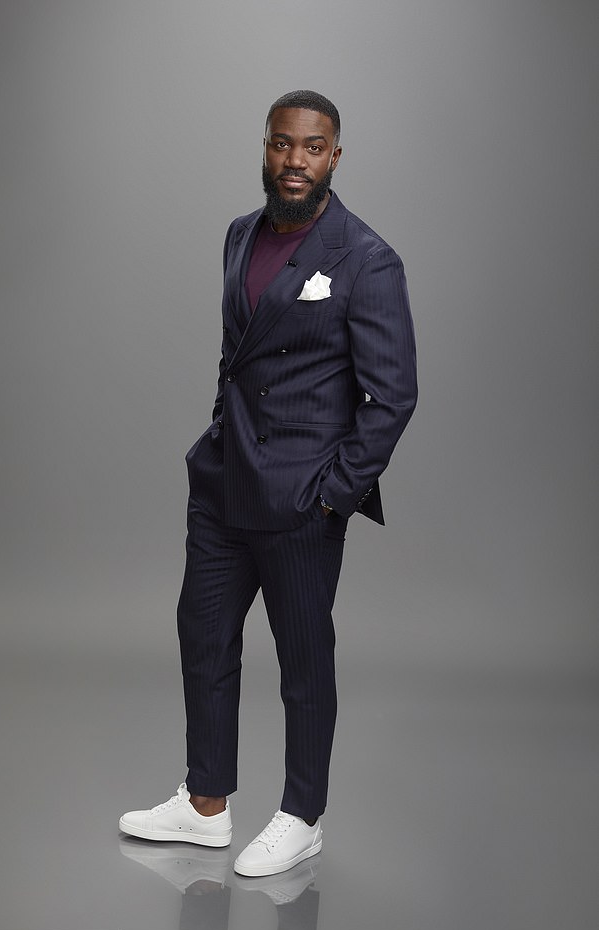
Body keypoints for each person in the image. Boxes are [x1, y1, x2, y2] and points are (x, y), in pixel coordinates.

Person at [119, 90, 417, 877]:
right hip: (224, 483)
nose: (295, 160)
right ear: (265, 147)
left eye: (312, 148)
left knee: (303, 658)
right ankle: (205, 804)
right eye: (283, 144)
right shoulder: (239, 234)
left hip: (301, 498)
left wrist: (333, 495)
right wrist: (219, 434)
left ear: (335, 157)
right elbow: (236, 356)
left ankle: (302, 814)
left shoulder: (366, 258)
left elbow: (393, 396)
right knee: (203, 635)